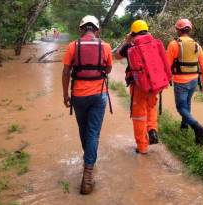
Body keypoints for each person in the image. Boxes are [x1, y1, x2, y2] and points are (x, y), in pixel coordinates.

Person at [62, 15, 113, 195]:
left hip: (78, 96)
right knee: (93, 133)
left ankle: (88, 163)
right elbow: (108, 69)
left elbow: (66, 72)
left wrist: (65, 94)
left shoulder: (72, 46)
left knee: (84, 130)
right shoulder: (106, 46)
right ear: (97, 30)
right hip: (99, 95)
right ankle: (88, 171)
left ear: (82, 29)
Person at [115, 20, 171, 154]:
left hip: (138, 86)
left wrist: (126, 41)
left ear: (133, 32)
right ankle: (152, 130)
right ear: (147, 30)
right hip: (155, 85)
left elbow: (116, 55)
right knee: (151, 107)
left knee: (139, 115)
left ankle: (142, 147)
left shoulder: (130, 46)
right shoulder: (155, 43)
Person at [166, 18, 203, 145]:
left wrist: (168, 78)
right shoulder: (197, 45)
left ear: (178, 30)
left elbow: (167, 65)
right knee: (187, 103)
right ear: (189, 30)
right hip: (194, 80)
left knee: (180, 107)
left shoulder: (174, 44)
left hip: (180, 81)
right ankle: (184, 126)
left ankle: (198, 128)